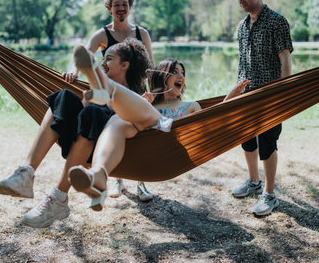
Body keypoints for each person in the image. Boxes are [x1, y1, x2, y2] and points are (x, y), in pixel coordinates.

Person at [67, 45, 249, 211]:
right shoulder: (150, 103)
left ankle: (102, 85)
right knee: (117, 120)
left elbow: (213, 123)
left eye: (182, 73)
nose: (181, 76)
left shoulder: (191, 107)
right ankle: (99, 175)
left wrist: (230, 98)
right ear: (162, 77)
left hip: (171, 151)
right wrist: (143, 104)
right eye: (174, 72)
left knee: (133, 115)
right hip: (142, 148)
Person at [0, 38, 151, 227]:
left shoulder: (135, 96)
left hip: (103, 150)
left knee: (93, 113)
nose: (103, 63)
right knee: (63, 96)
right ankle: (25, 173)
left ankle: (58, 199)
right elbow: (81, 113)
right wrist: (84, 93)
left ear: (125, 65)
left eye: (109, 59)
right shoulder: (97, 88)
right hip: (80, 140)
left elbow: (138, 124)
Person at [64, 0, 155, 201]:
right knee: (115, 133)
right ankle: (117, 179)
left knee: (143, 139)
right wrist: (73, 71)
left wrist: (156, 94)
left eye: (124, 4)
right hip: (112, 96)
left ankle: (142, 183)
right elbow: (83, 56)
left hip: (137, 95)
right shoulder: (102, 35)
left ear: (129, 7)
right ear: (109, 8)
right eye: (116, 5)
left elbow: (150, 66)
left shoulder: (142, 34)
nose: (121, 8)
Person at [230, 0, 293, 216]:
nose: (241, 1)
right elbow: (242, 62)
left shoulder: (277, 21)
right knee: (246, 139)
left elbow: (285, 58)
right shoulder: (241, 26)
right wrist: (236, 90)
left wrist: (284, 92)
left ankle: (269, 194)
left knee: (268, 142)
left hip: (270, 95)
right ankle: (253, 182)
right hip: (245, 94)